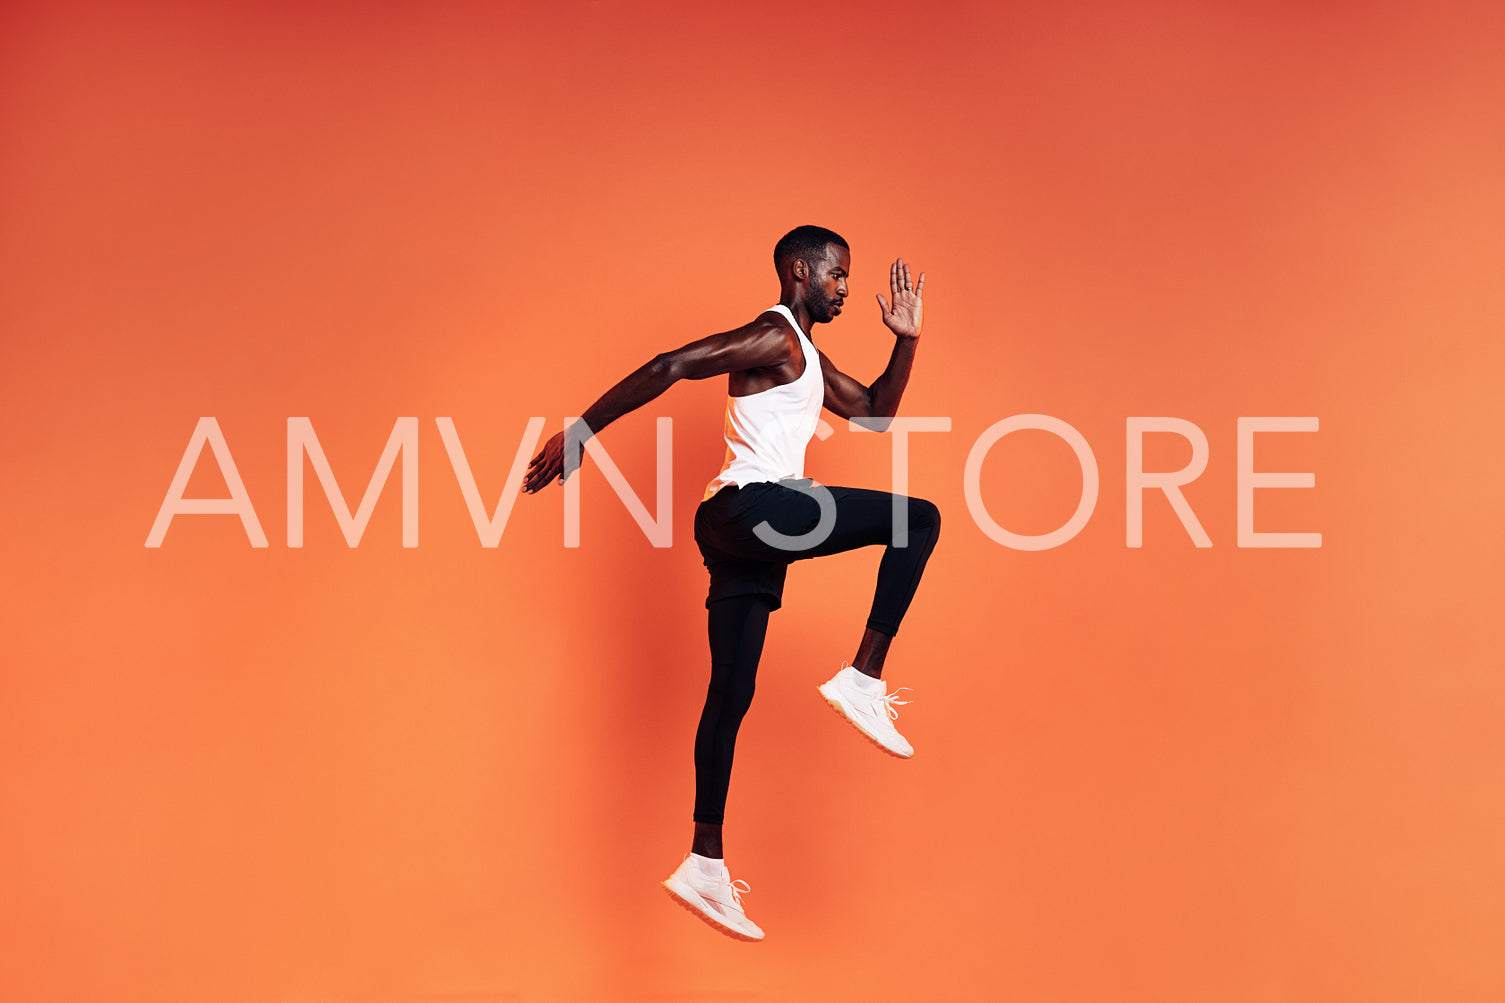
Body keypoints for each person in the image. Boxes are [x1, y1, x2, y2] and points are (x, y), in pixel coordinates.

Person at [524, 225, 941, 941]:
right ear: (798, 271)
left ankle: (703, 861)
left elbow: (874, 413)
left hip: (737, 529)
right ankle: (861, 678)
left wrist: (905, 340)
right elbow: (672, 362)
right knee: (918, 519)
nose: (844, 287)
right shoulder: (774, 336)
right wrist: (583, 430)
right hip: (752, 508)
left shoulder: (805, 357)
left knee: (730, 693)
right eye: (837, 274)